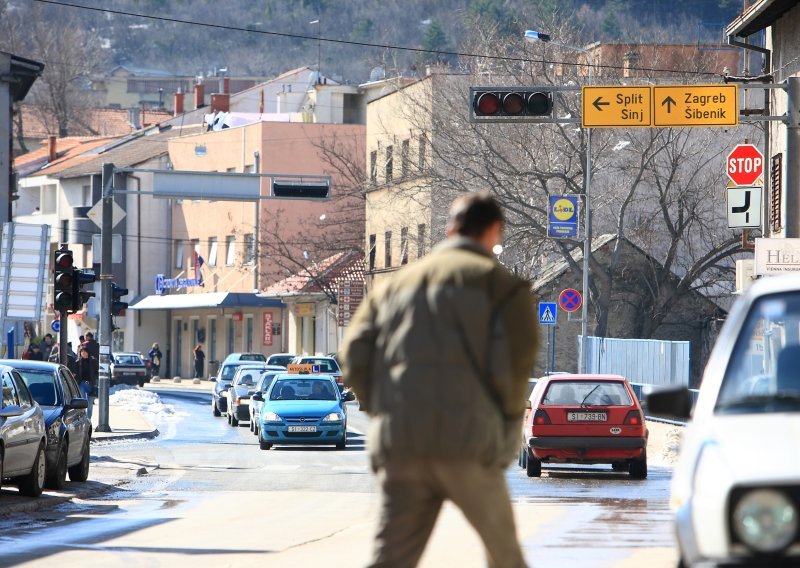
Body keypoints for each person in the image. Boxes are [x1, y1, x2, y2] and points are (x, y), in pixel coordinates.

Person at [341, 192, 539, 568]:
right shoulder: (503, 289)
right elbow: (513, 372)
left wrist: (385, 408)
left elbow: (353, 356)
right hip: (470, 444)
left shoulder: (396, 285)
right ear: (494, 232)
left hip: (401, 441)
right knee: (504, 557)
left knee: (391, 559)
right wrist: (507, 434)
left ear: (450, 230)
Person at [75, 346, 98, 419]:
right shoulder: (78, 362)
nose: (84, 353)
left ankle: (88, 418)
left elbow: (96, 372)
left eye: (85, 352)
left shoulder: (93, 361)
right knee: (82, 401)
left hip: (91, 384)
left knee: (90, 403)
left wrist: (94, 380)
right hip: (82, 383)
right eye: (82, 352)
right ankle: (83, 417)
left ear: (88, 353)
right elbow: (76, 373)